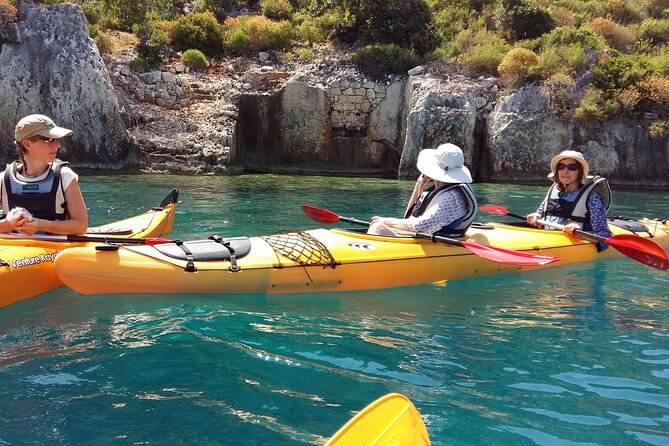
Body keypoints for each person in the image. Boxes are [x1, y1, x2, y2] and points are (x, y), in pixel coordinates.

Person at [0, 114, 88, 235]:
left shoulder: (65, 177)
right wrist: (6, 225)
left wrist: (41, 225)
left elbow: (81, 226)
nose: (58, 145)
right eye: (49, 139)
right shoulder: (3, 180)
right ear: (27, 144)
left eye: (57, 140)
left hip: (56, 251)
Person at [369, 143, 477, 237]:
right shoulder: (440, 189)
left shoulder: (452, 197)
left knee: (378, 228)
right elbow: (409, 218)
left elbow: (420, 226)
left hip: (437, 245)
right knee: (379, 226)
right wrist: (419, 186)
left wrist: (386, 221)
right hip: (423, 239)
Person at [526, 150, 611, 251]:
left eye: (572, 168)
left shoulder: (592, 197)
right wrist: (536, 216)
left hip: (572, 245)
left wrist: (580, 232)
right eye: (561, 167)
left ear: (580, 172)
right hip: (547, 239)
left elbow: (604, 236)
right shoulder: (554, 190)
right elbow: (540, 212)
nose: (565, 171)